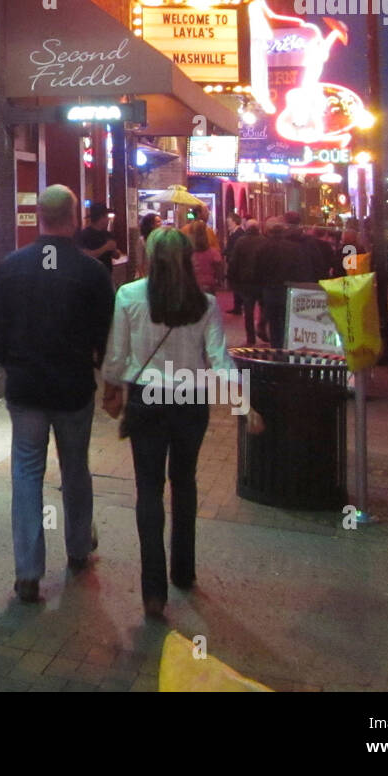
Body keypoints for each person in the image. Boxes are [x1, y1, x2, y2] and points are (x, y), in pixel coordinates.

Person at [100, 227, 261, 617]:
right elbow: (220, 358)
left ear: (150, 257)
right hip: (190, 398)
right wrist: (242, 401)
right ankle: (184, 570)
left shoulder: (129, 295)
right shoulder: (204, 303)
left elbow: (117, 354)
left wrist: (112, 388)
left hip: (148, 399)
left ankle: (153, 592)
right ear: (189, 258)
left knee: (149, 489)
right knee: (185, 482)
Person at [0, 185, 114, 603]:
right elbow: (105, 335)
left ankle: (28, 572)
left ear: (39, 215)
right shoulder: (92, 273)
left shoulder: (12, 266)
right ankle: (77, 549)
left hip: (25, 387)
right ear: (74, 217)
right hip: (73, 387)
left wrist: (9, 361)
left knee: (25, 473)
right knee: (75, 468)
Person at [256, 218, 319, 348]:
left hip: (270, 289)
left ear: (269, 232)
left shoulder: (263, 248)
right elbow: (300, 269)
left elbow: (258, 269)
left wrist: (260, 291)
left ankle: (276, 347)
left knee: (273, 321)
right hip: (288, 289)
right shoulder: (293, 248)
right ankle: (286, 346)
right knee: (286, 320)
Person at [226, 220, 267, 345]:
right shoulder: (264, 241)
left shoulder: (241, 242)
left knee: (248, 311)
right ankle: (261, 326)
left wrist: (231, 278)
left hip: (246, 281)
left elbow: (234, 261)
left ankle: (250, 338)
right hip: (261, 279)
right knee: (264, 306)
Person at [76, 202, 126, 284]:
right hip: (90, 278)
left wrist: (115, 251)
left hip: (107, 276)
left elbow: (116, 256)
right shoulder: (85, 234)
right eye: (106, 217)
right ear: (101, 218)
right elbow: (84, 256)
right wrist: (105, 248)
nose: (108, 219)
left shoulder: (108, 234)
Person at [186, 218, 224, 294]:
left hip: (191, 285)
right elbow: (219, 270)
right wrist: (219, 280)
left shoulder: (186, 253)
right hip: (209, 285)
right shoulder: (213, 252)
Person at [223, 212, 245, 313]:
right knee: (236, 286)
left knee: (237, 286)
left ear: (235, 222)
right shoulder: (235, 233)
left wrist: (226, 252)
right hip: (235, 263)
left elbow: (234, 249)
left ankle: (238, 307)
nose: (228, 224)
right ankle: (238, 306)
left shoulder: (238, 234)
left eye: (230, 222)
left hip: (237, 264)